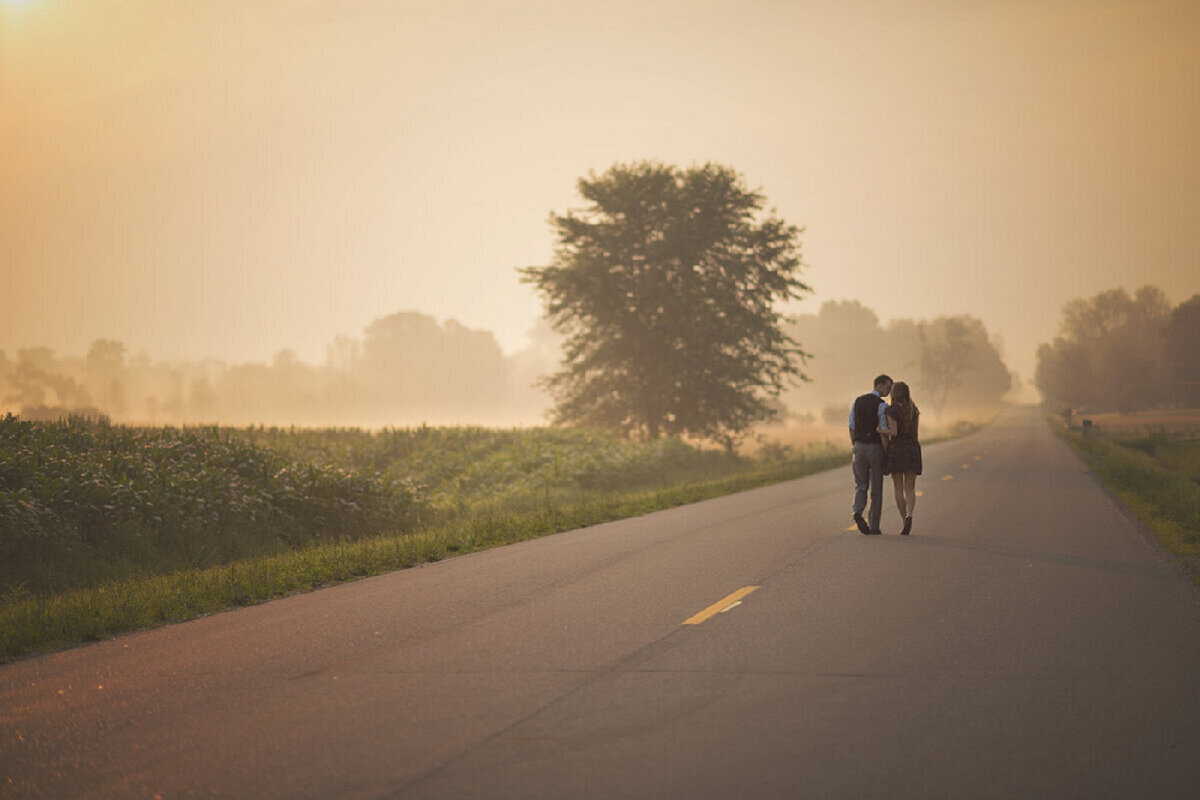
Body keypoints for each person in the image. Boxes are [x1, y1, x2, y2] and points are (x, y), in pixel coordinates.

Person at [849, 374, 893, 535]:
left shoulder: (857, 401)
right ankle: (874, 526)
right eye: (888, 387)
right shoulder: (882, 405)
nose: (889, 391)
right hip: (875, 447)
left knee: (861, 483)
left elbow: (851, 426)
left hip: (859, 447)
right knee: (876, 487)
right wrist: (887, 452)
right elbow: (882, 431)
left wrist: (855, 444)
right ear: (879, 386)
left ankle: (857, 511)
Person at [881, 381, 922, 535]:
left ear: (894, 394)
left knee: (898, 489)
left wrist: (880, 430)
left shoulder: (892, 410)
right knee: (910, 488)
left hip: (897, 449)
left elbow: (894, 432)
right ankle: (910, 515)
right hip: (912, 448)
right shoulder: (914, 410)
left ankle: (904, 521)